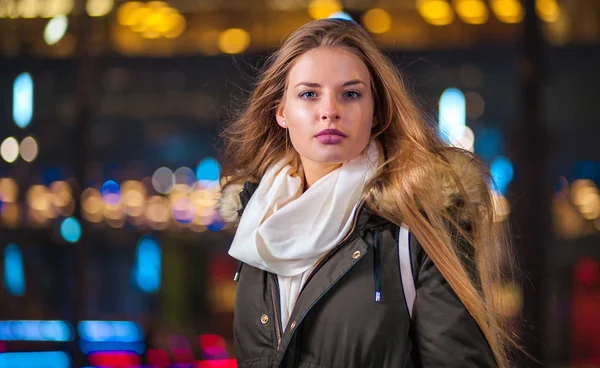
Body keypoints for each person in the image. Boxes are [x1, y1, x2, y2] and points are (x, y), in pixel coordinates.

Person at [218, 18, 516, 368]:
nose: (330, 111)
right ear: (281, 111)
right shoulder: (259, 226)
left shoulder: (418, 224)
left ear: (376, 112)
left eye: (351, 94)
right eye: (309, 94)